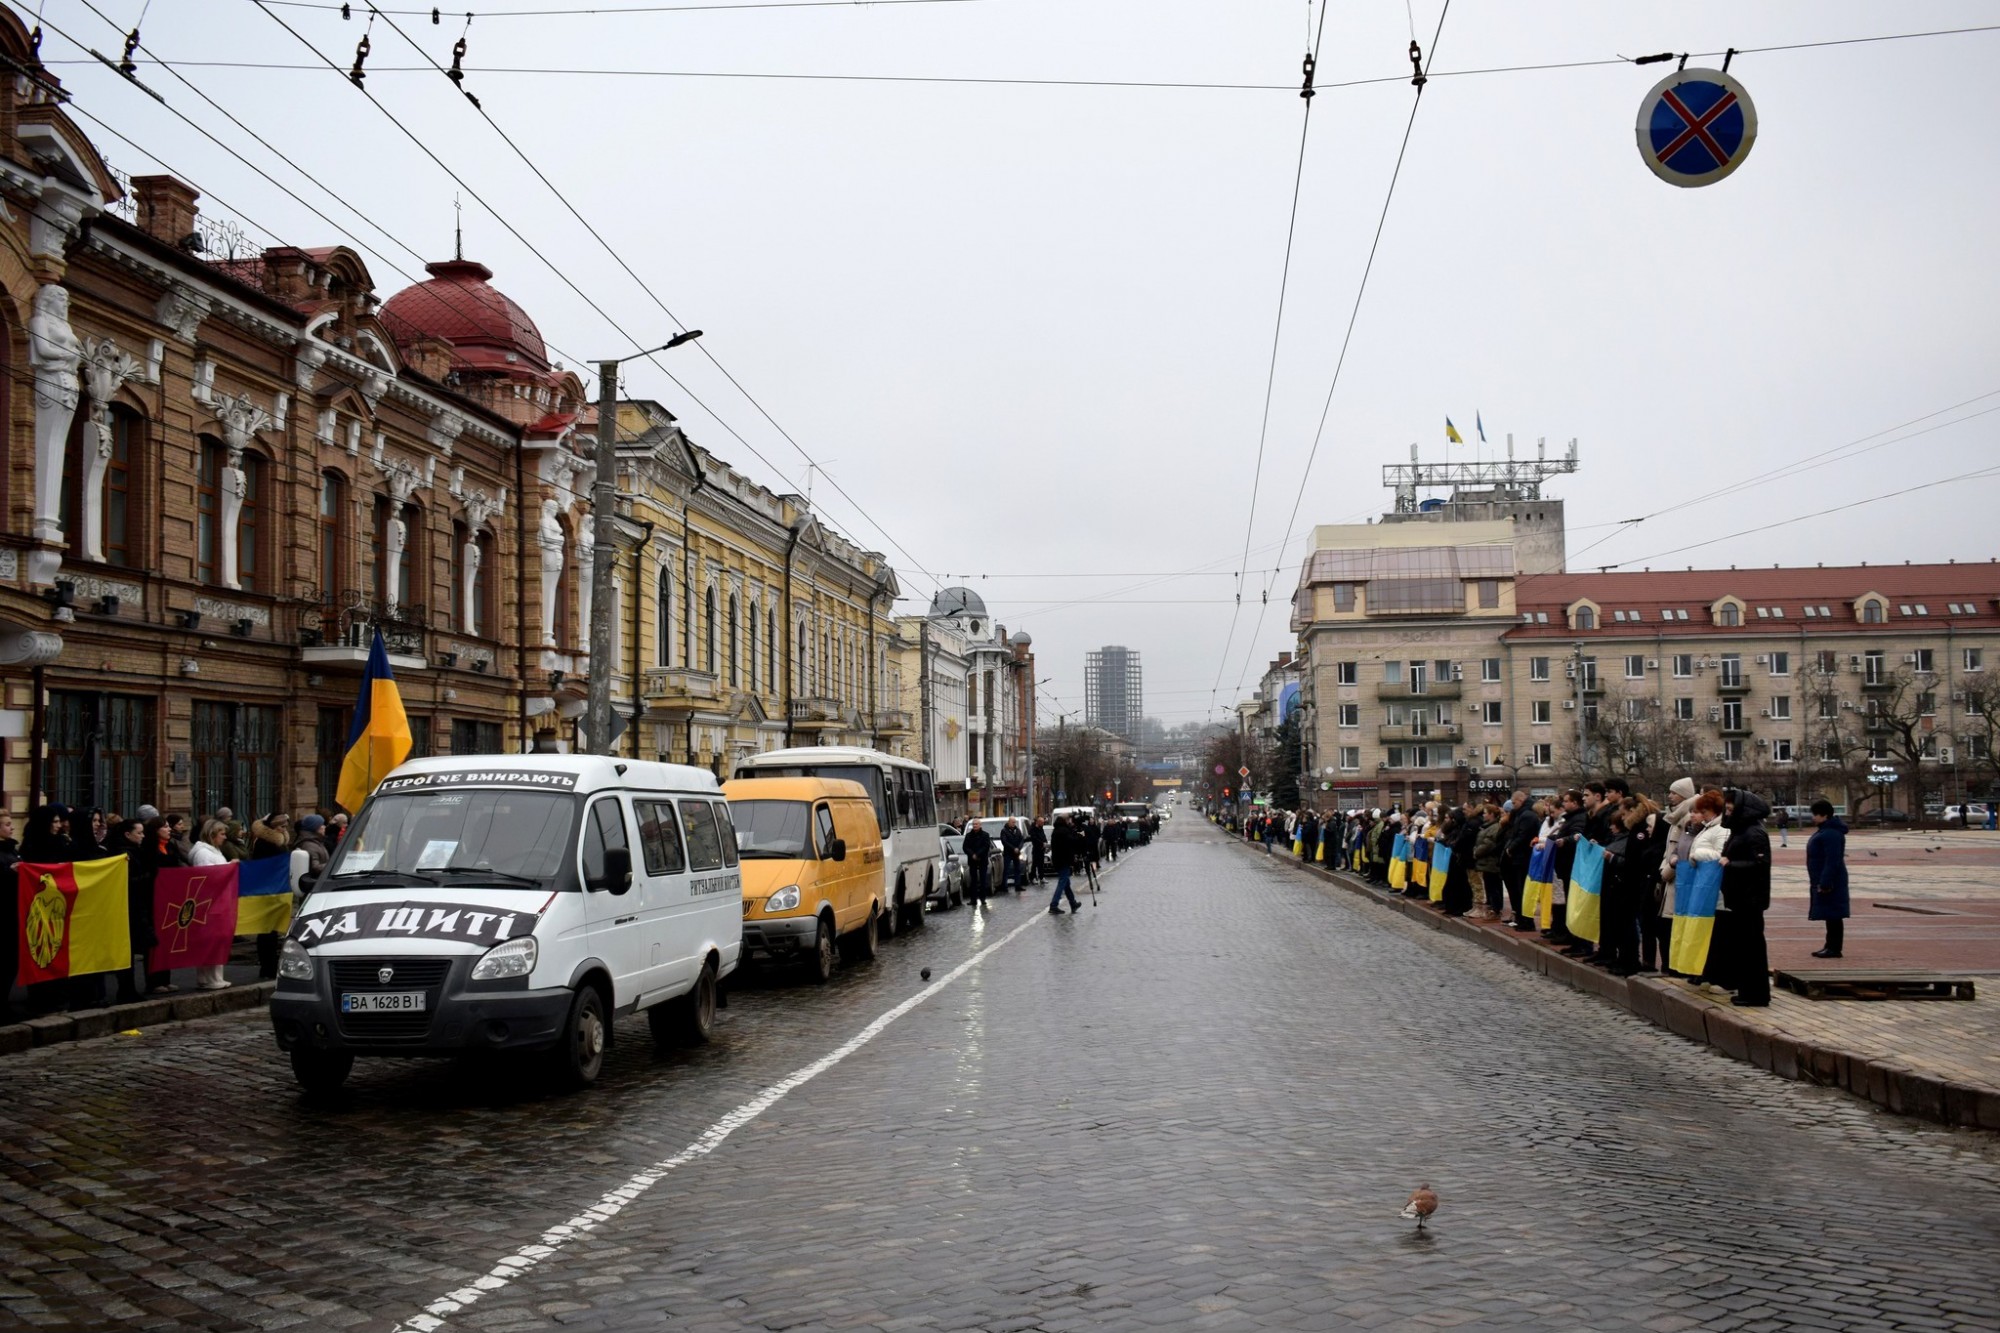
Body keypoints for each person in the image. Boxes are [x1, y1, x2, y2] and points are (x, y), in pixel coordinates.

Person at [1715, 788, 1773, 1006]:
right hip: (1740, 897)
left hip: (1750, 899)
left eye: (1730, 808)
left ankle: (1756, 993)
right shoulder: (1741, 831)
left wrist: (1731, 864)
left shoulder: (1754, 832)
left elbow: (1760, 864)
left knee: (1752, 947)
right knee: (1744, 946)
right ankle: (1748, 990)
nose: (1727, 812)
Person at [188, 819, 232, 991]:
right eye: (221, 834)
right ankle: (210, 978)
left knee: (214, 939)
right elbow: (208, 877)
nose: (225, 837)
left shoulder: (213, 851)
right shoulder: (203, 853)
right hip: (210, 902)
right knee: (211, 940)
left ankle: (211, 977)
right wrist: (230, 867)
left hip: (218, 901)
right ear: (212, 835)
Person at [1806, 798, 1849, 959]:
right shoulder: (1826, 831)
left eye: (1815, 815)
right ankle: (1830, 945)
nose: (1813, 818)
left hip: (1831, 880)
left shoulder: (1830, 834)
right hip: (1826, 878)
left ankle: (1834, 947)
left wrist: (1825, 881)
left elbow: (1833, 860)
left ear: (1824, 816)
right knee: (1831, 914)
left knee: (1834, 914)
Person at [1047, 814, 1081, 915]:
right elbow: (1072, 841)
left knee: (1066, 884)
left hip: (1058, 860)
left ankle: (1073, 903)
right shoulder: (1063, 831)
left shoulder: (1057, 830)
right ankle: (1054, 905)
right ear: (1065, 820)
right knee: (1063, 882)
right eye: (1068, 820)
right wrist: (1080, 834)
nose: (1069, 822)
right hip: (1063, 860)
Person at [960, 818, 993, 907]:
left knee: (983, 880)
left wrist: (977, 854)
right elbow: (965, 847)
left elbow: (986, 846)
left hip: (982, 859)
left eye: (976, 824)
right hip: (972, 860)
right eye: (974, 824)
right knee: (973, 880)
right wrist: (972, 854)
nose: (975, 826)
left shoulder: (985, 835)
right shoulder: (968, 836)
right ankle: (973, 899)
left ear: (980, 825)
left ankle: (983, 899)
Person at [999, 817, 1026, 892]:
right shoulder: (1004, 831)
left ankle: (1018, 885)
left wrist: (1018, 848)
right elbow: (1004, 842)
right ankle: (1004, 886)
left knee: (1017, 869)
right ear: (1009, 822)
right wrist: (1013, 848)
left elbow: (1021, 840)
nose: (1014, 824)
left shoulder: (1017, 830)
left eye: (1015, 822)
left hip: (1016, 853)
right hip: (1008, 853)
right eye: (1012, 822)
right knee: (1006, 870)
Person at [1027, 816, 1047, 884]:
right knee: (1034, 864)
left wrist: (1045, 842)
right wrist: (1042, 843)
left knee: (1041, 864)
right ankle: (1033, 877)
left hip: (1041, 849)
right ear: (1038, 822)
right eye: (1042, 822)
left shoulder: (1041, 829)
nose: (1043, 824)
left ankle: (1041, 877)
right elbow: (1034, 839)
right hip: (1036, 849)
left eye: (1043, 823)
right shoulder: (1033, 829)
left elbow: (1043, 836)